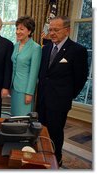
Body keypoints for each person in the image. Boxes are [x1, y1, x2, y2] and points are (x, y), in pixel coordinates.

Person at [36, 16, 88, 166]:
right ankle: (42, 156)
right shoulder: (46, 49)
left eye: (56, 30)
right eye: (50, 29)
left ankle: (56, 160)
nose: (51, 33)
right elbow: (43, 74)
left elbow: (80, 78)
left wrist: (67, 96)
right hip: (43, 99)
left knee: (55, 133)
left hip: (59, 102)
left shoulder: (78, 50)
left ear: (67, 30)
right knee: (42, 130)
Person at [10, 16, 41, 116]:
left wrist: (29, 93)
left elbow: (34, 73)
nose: (18, 31)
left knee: (23, 118)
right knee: (14, 116)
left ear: (29, 31)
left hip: (25, 90)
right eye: (17, 28)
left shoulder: (36, 48)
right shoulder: (15, 45)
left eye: (21, 29)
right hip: (14, 87)